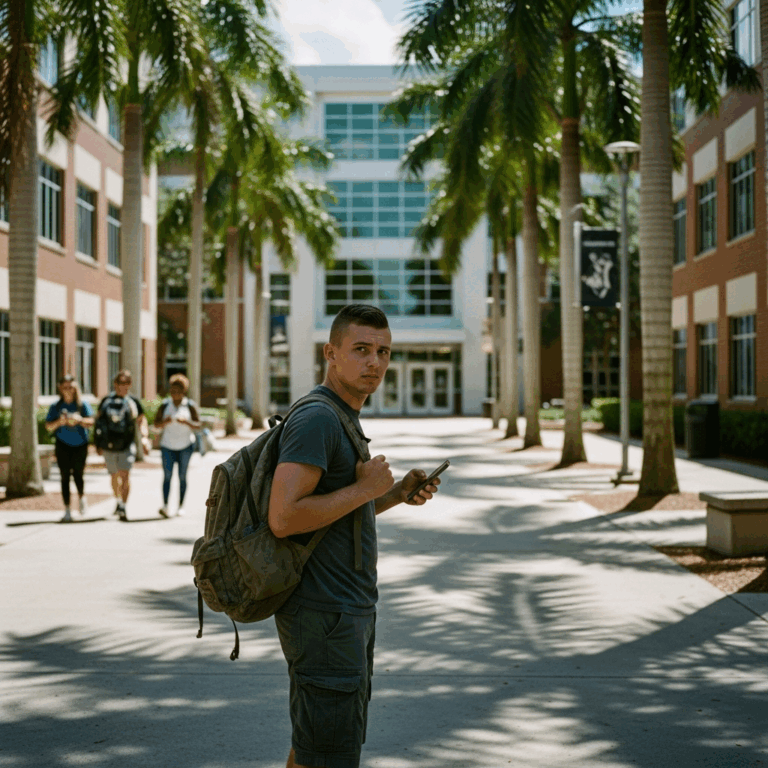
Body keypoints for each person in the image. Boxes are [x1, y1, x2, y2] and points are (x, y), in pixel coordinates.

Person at [268, 304, 441, 768]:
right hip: (325, 614)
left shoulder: (342, 417)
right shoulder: (318, 419)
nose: (375, 363)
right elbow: (283, 518)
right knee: (328, 756)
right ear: (331, 353)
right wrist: (367, 487)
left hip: (343, 612)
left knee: (317, 750)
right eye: (361, 350)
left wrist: (395, 494)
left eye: (383, 351)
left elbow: (335, 513)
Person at [96, 369, 149, 522]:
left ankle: (123, 506)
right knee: (114, 476)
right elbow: (98, 422)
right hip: (109, 445)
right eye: (120, 383)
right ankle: (118, 501)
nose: (123, 386)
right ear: (115, 384)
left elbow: (141, 421)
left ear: (130, 384)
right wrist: (98, 443)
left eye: (127, 383)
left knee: (125, 475)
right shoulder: (106, 401)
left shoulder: (133, 402)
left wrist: (144, 439)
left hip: (127, 444)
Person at [45, 375, 94, 523]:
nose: (68, 390)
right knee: (64, 476)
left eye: (71, 387)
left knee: (78, 474)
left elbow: (91, 421)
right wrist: (61, 421)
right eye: (65, 387)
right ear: (60, 388)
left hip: (80, 445)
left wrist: (79, 420)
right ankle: (67, 509)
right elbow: (48, 426)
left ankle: (81, 497)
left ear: (75, 388)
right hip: (62, 445)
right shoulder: (56, 406)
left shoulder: (81, 404)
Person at [154, 373, 200, 518]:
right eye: (173, 391)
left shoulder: (190, 406)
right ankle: (166, 506)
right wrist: (165, 422)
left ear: (183, 391)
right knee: (167, 476)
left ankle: (181, 506)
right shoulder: (165, 405)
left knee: (182, 476)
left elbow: (198, 425)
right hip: (167, 446)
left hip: (186, 446)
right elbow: (156, 424)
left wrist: (186, 422)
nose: (175, 394)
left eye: (178, 392)